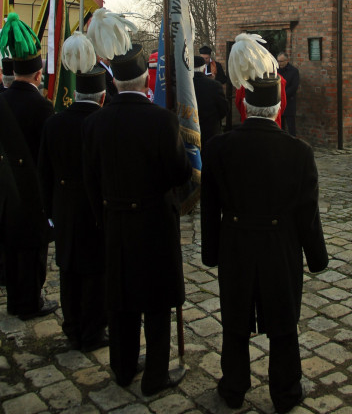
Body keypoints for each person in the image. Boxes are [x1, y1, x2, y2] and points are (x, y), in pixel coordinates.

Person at [201, 33, 328, 414]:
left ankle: (233, 386)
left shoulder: (219, 147)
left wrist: (211, 252)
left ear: (244, 103)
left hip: (236, 244)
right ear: (277, 106)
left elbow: (210, 207)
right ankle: (286, 391)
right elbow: (307, 212)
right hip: (280, 247)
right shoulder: (299, 152)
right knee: (283, 322)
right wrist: (316, 257)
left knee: (235, 321)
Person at [82, 44, 192, 395]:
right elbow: (179, 173)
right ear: (147, 80)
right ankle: (155, 375)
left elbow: (90, 179)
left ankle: (124, 367)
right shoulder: (162, 120)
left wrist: (104, 217)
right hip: (155, 223)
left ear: (113, 83)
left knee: (121, 297)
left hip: (116, 221)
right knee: (157, 302)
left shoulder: (95, 122)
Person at [39, 64, 108, 351]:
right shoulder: (103, 123)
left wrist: (50, 210)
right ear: (102, 97)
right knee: (94, 270)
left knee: (67, 266)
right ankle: (92, 330)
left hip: (64, 204)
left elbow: (44, 171)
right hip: (95, 206)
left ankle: (71, 325)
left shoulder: (54, 122)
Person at [0, 13, 57, 319]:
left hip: (6, 188)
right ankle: (30, 303)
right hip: (33, 188)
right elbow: (47, 152)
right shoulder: (42, 106)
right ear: (38, 75)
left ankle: (13, 301)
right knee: (33, 251)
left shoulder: (2, 100)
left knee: (11, 246)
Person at [193, 55, 229, 147]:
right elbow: (223, 109)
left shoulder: (182, 86)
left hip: (190, 131)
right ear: (204, 69)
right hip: (211, 131)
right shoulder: (214, 85)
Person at [277, 53, 300, 136]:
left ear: (287, 61)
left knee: (291, 127)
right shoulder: (276, 70)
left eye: (281, 61)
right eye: (278, 61)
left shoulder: (294, 71)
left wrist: (282, 95)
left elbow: (294, 87)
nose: (279, 63)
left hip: (289, 102)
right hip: (278, 102)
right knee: (280, 127)